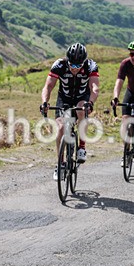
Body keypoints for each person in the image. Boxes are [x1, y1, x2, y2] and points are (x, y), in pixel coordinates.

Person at [40, 43, 100, 179]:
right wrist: (44, 102)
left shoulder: (90, 66)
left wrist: (90, 103)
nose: (75, 69)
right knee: (60, 127)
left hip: (82, 97)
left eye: (78, 66)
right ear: (68, 60)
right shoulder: (59, 65)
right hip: (64, 98)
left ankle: (82, 147)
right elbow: (48, 86)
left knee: (81, 110)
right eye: (72, 65)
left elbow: (95, 88)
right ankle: (60, 164)